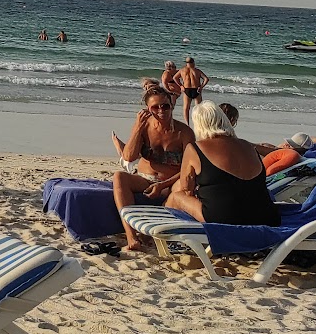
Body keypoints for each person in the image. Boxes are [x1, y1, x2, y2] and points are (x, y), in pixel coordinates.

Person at [159, 102, 280, 230]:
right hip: (267, 216)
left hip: (224, 218)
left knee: (176, 197)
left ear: (199, 125)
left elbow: (187, 190)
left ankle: (156, 237)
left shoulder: (195, 148)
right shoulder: (248, 146)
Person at [113, 87, 194, 249]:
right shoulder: (143, 127)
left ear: (172, 105)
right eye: (155, 107)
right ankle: (131, 237)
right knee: (119, 177)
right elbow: (129, 157)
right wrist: (137, 127)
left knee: (184, 185)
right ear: (148, 109)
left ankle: (150, 232)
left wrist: (162, 185)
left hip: (171, 182)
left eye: (165, 106)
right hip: (145, 178)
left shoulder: (184, 132)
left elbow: (189, 168)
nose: (161, 110)